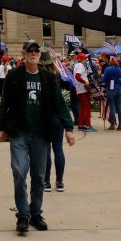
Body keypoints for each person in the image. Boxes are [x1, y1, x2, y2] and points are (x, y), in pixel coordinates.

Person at [0, 40, 76, 233]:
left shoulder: (48, 78)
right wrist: (0, 126)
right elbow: (4, 102)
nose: (33, 53)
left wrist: (69, 127)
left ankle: (35, 213)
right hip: (19, 132)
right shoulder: (14, 76)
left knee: (39, 176)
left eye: (36, 50)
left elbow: (60, 104)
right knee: (19, 172)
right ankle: (22, 216)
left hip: (41, 133)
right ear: (24, 54)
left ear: (39, 55)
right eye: (29, 50)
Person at [40, 51, 69, 192]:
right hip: (57, 118)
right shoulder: (56, 77)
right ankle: (60, 181)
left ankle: (46, 181)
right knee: (58, 149)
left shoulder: (38, 78)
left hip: (45, 118)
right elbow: (61, 103)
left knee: (46, 150)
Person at [101, 57, 121, 131]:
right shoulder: (119, 70)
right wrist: (119, 82)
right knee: (119, 106)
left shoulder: (107, 69)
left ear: (110, 63)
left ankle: (112, 125)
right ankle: (120, 124)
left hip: (110, 89)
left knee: (112, 107)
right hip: (118, 89)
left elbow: (104, 80)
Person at [72, 53, 94, 131]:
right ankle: (87, 125)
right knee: (87, 107)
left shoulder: (76, 65)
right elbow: (77, 76)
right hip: (83, 89)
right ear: (81, 59)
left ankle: (81, 125)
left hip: (79, 89)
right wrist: (85, 82)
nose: (86, 60)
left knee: (82, 107)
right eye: (84, 59)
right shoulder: (80, 65)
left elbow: (77, 76)